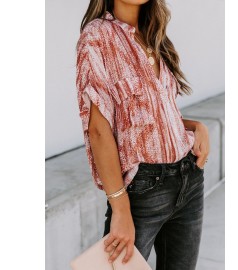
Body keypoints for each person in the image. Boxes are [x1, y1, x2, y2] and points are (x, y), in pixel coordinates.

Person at [76, 0, 210, 269]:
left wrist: (196, 126)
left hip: (189, 179)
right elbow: (99, 130)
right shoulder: (97, 35)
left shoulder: (153, 35)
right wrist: (120, 208)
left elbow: (148, 117)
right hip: (143, 189)